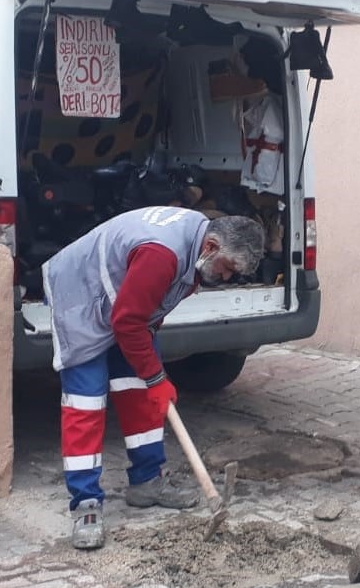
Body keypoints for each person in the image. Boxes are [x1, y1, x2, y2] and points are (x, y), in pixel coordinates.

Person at [43, 206, 266, 549]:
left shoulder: (197, 249)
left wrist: (151, 378)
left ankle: (147, 483)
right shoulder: (163, 253)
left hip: (125, 306)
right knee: (85, 402)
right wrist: (156, 376)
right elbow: (127, 322)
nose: (225, 279)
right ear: (211, 247)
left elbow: (145, 309)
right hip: (83, 298)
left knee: (142, 393)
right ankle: (86, 503)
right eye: (227, 269)